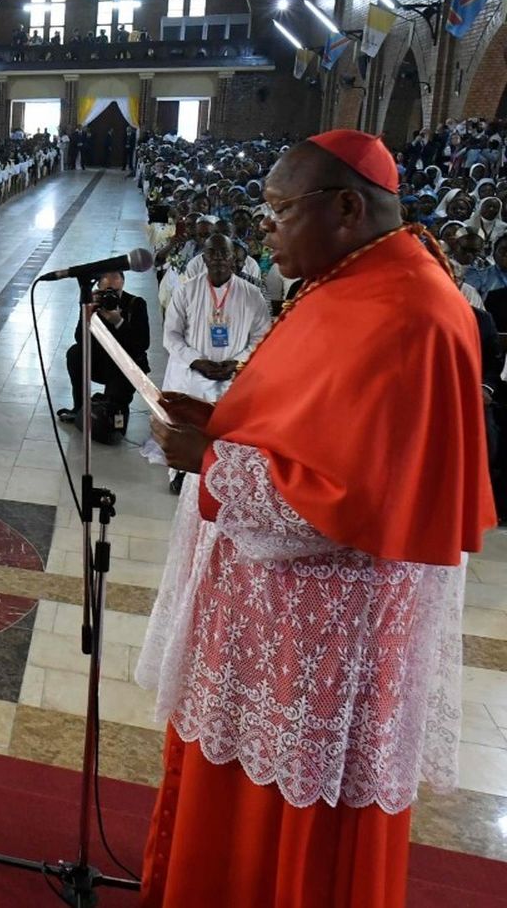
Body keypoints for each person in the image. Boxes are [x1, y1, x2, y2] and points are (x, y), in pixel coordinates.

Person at [137, 130, 491, 908]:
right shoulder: (347, 280)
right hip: (269, 632)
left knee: (289, 845)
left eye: (277, 210)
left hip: (322, 652)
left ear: (347, 206)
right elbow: (303, 420)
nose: (263, 228)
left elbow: (358, 497)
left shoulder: (412, 314)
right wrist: (218, 421)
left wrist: (211, 460)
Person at [149, 234, 271, 491]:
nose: (218, 259)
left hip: (232, 377)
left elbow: (262, 337)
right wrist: (196, 361)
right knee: (185, 429)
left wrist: (237, 362)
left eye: (224, 254)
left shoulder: (252, 295)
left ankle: (218, 476)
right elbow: (170, 334)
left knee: (223, 434)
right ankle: (180, 474)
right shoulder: (186, 290)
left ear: (234, 259)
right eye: (212, 254)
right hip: (191, 376)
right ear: (203, 258)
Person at [57, 270, 150, 432]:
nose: (110, 297)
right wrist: (86, 312)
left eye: (114, 291)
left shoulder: (136, 304)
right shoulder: (94, 305)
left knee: (112, 414)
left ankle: (115, 411)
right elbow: (80, 338)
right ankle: (79, 407)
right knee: (74, 353)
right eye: (105, 291)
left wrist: (119, 322)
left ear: (123, 283)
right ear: (98, 287)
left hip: (127, 366)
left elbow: (142, 344)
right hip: (102, 361)